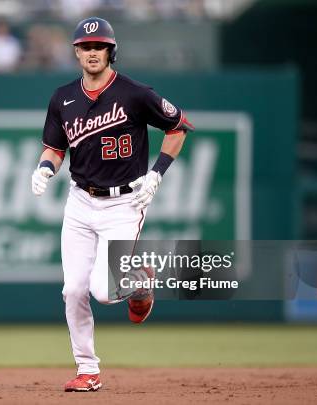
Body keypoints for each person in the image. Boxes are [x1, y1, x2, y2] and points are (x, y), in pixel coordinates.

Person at [30, 16, 194, 392]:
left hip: (124, 203)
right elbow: (56, 147)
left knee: (104, 292)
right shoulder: (62, 97)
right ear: (76, 52)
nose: (92, 52)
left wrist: (157, 173)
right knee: (73, 290)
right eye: (86, 46)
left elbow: (178, 126)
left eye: (99, 46)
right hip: (80, 201)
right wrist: (43, 167)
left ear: (110, 51)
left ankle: (141, 281)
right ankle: (88, 370)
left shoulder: (135, 93)